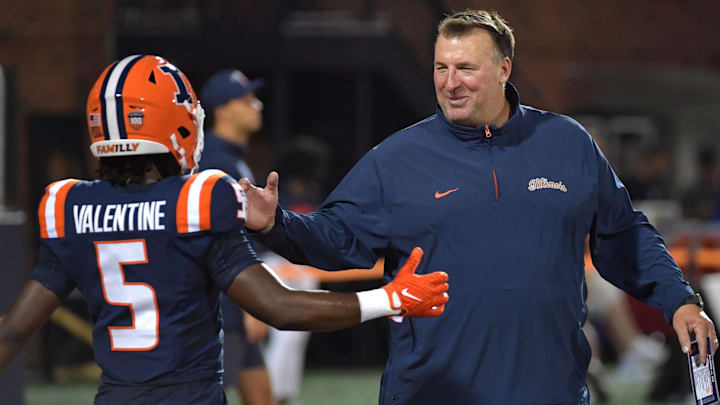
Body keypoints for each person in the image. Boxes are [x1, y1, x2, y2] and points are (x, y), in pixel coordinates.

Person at [240, 10, 719, 405]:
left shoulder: (566, 144)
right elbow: (338, 237)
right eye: (440, 68)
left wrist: (678, 300)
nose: (450, 83)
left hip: (550, 393)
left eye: (466, 68)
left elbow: (626, 235)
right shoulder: (397, 159)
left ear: (504, 70)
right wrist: (276, 226)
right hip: (432, 395)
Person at [0, 55, 450, 405]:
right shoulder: (197, 199)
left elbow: (14, 332)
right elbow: (280, 307)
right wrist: (391, 298)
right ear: (171, 123)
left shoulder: (69, 206)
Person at [199, 68, 272, 405]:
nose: (256, 106)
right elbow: (222, 241)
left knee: (261, 395)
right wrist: (251, 304)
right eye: (245, 101)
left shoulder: (230, 159)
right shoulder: (215, 163)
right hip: (227, 304)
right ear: (223, 111)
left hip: (236, 298)